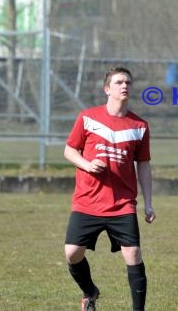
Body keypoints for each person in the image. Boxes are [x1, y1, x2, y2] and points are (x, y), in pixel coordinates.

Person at [63, 67, 155, 311]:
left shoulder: (140, 126)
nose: (124, 86)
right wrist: (87, 165)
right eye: (118, 82)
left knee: (133, 254)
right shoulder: (88, 118)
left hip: (122, 203)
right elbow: (69, 150)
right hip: (88, 201)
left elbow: (143, 165)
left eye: (128, 82)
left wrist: (148, 203)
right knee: (72, 253)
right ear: (107, 89)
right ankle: (90, 292)